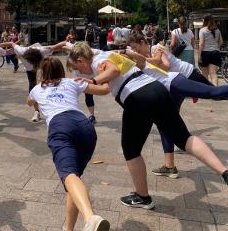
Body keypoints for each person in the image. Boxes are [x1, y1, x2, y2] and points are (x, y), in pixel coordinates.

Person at [68, 42, 228, 209]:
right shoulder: (104, 54)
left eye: (76, 68)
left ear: (80, 60)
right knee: (183, 138)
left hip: (138, 98)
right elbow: (106, 87)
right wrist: (81, 86)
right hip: (157, 89)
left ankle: (142, 197)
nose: (79, 72)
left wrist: (92, 79)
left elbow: (113, 71)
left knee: (131, 150)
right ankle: (224, 171)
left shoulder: (97, 62)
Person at [127, 34, 228, 178]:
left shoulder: (156, 48)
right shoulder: (142, 57)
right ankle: (169, 166)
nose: (136, 51)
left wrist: (141, 59)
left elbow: (165, 65)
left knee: (214, 93)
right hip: (173, 85)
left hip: (183, 77)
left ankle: (169, 166)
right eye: (133, 50)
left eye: (136, 48)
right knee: (165, 124)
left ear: (143, 42)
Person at [28, 57, 110, 231]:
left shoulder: (36, 89)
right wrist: (104, 73)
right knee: (73, 179)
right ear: (61, 71)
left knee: (69, 176)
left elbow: (29, 101)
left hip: (60, 127)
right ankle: (68, 229)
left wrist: (34, 102)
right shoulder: (73, 82)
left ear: (42, 72)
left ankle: (90, 218)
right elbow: (104, 90)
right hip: (85, 126)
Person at [6, 40, 67, 122]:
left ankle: (56, 107)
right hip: (30, 70)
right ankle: (36, 111)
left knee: (50, 83)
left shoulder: (42, 51)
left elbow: (60, 45)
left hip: (42, 66)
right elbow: (10, 43)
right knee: (32, 87)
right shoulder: (21, 51)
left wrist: (71, 46)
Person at [198, 15, 223, 85]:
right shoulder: (217, 30)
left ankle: (206, 93)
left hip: (205, 53)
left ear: (205, 21)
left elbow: (201, 44)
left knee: (204, 75)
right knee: (213, 74)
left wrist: (199, 55)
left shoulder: (202, 30)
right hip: (215, 53)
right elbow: (221, 41)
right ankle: (215, 93)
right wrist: (215, 47)